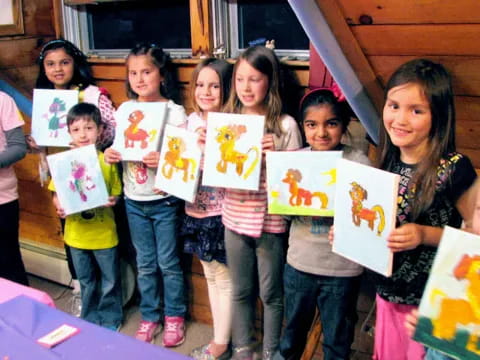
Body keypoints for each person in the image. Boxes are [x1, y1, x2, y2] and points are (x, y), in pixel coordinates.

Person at [368, 58, 477, 359]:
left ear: (438, 116)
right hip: (388, 293)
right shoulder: (388, 157)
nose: (400, 119)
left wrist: (423, 234)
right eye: (393, 105)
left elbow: (474, 242)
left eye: (416, 110)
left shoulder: (455, 169)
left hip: (430, 303)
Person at [276, 88, 370, 360]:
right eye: (312, 125)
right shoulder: (295, 162)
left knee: (338, 342)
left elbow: (366, 218)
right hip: (300, 265)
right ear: (304, 128)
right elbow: (284, 214)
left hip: (342, 269)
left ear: (343, 126)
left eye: (331, 123)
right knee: (292, 336)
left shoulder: (358, 162)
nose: (321, 132)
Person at [104, 43, 187, 347]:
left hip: (164, 200)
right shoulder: (126, 110)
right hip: (133, 200)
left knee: (168, 262)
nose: (139, 79)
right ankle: (150, 315)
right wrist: (112, 153)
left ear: (162, 75)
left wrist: (163, 160)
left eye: (147, 71)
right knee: (146, 263)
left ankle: (175, 316)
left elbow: (183, 156)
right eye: (134, 73)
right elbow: (119, 146)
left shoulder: (174, 111)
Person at [222, 46, 302, 360]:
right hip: (234, 216)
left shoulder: (286, 126)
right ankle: (243, 347)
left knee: (271, 292)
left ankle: (270, 351)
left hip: (269, 221)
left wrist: (277, 157)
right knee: (240, 289)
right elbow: (212, 169)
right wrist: (205, 148)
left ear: (269, 81)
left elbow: (297, 180)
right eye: (240, 79)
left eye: (254, 79)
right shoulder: (227, 122)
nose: (245, 86)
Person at [28, 39, 117, 296]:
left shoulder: (90, 94)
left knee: (100, 231)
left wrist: (85, 141)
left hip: (93, 171)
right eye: (51, 64)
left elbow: (111, 128)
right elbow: (43, 139)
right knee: (70, 230)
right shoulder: (44, 99)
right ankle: (81, 290)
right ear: (43, 68)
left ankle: (107, 293)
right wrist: (37, 143)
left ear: (74, 64)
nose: (58, 69)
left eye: (64, 62)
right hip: (61, 174)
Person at [49, 102, 123, 331]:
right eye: (77, 129)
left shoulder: (106, 160)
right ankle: (89, 318)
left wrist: (114, 200)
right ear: (69, 132)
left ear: (100, 130)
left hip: (104, 234)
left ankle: (111, 317)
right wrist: (58, 205)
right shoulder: (64, 162)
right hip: (76, 235)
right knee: (86, 280)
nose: (83, 134)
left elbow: (117, 193)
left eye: (89, 128)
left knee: (110, 279)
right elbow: (55, 193)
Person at [182, 58, 233, 360]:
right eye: (200, 84)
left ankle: (221, 343)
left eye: (215, 85)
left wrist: (208, 147)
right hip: (194, 210)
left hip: (222, 213)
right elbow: (178, 164)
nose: (206, 91)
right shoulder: (190, 122)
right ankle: (221, 336)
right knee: (210, 274)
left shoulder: (233, 125)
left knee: (223, 277)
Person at [0, 91, 28, 285]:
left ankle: (23, 313)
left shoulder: (3, 100)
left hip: (3, 198)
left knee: (8, 262)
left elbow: (18, 147)